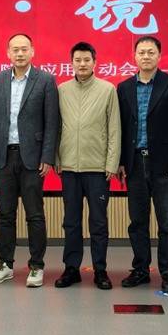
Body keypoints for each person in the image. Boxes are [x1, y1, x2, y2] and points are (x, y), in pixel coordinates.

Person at [0, 33, 60, 287]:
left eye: (24, 49)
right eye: (15, 49)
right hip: (4, 156)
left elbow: (52, 122)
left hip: (33, 158)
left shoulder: (45, 80)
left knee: (34, 215)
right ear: (8, 53)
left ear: (32, 51)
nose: (19, 53)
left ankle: (36, 266)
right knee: (5, 214)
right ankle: (5, 264)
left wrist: (47, 156)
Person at [116, 36, 168, 293]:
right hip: (134, 163)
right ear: (134, 56)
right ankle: (140, 269)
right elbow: (120, 128)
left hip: (164, 165)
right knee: (137, 221)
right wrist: (121, 162)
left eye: (150, 52)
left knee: (166, 222)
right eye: (141, 52)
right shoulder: (124, 88)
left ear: (159, 56)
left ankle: (167, 273)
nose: (146, 56)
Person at [54, 42, 120, 290]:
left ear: (94, 62)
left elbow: (114, 129)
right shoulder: (62, 90)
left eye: (86, 60)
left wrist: (111, 162)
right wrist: (57, 159)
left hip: (97, 168)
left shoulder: (107, 89)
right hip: (69, 167)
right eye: (77, 60)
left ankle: (100, 270)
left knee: (98, 222)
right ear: (71, 63)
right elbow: (56, 127)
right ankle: (71, 268)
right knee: (71, 221)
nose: (82, 64)